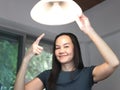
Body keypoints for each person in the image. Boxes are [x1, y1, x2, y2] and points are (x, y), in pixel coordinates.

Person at [14, 14, 119, 90]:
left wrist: (89, 30)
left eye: (66, 46)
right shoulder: (47, 75)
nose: (61, 51)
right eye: (57, 47)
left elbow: (114, 63)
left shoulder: (87, 74)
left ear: (75, 48)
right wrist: (26, 59)